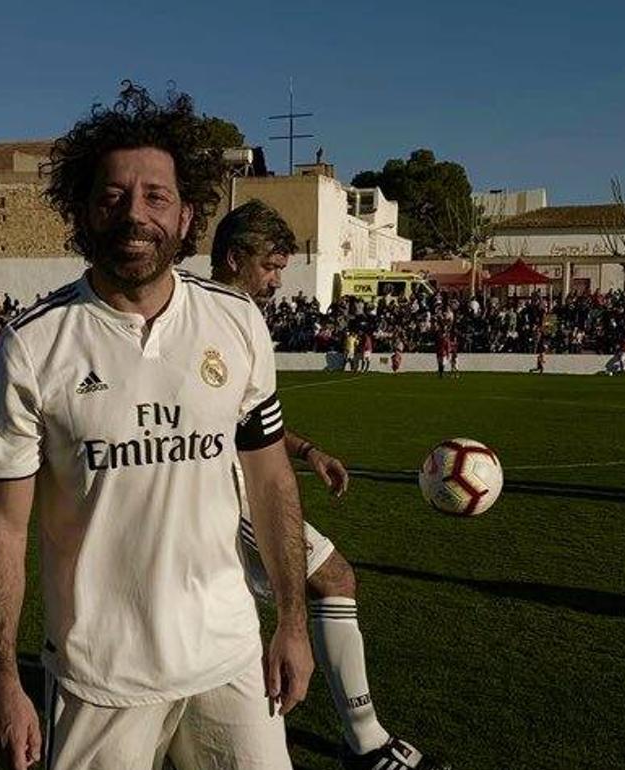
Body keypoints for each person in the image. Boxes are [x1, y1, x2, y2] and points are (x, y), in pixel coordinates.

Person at [0, 83, 313, 770]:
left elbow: (270, 473)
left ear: (188, 216)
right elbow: (4, 526)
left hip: (229, 660)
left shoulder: (236, 320)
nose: (136, 215)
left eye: (156, 196)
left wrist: (293, 623)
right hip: (102, 677)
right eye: (112, 197)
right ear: (82, 212)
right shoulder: (35, 345)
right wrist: (2, 678)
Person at [212, 199, 446, 769]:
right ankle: (365, 743)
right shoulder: (220, 316)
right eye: (270, 266)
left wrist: (308, 450)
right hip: (227, 491)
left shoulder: (233, 314)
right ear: (234, 257)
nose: (277, 280)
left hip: (235, 481)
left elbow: (250, 423)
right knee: (334, 579)